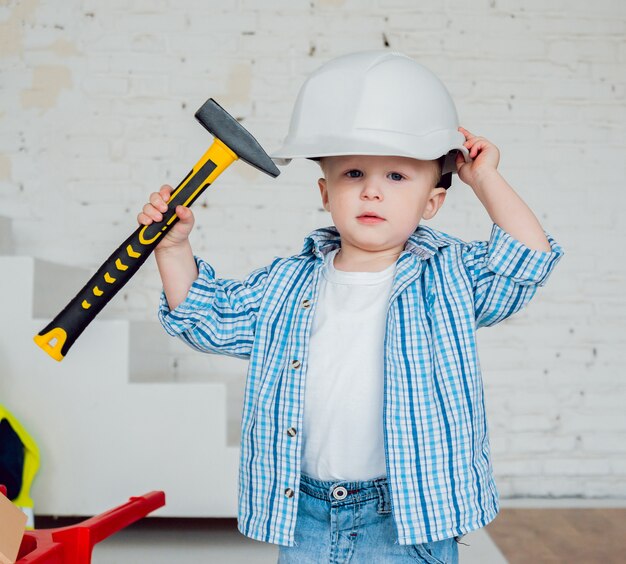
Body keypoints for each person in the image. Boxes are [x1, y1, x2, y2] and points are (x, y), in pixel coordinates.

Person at [138, 51, 564, 563]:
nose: (371, 190)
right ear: (325, 193)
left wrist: (485, 178)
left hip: (411, 517)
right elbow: (207, 318)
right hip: (308, 513)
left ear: (433, 203)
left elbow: (527, 259)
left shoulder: (448, 277)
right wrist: (172, 248)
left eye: (398, 177)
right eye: (354, 172)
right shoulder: (287, 283)